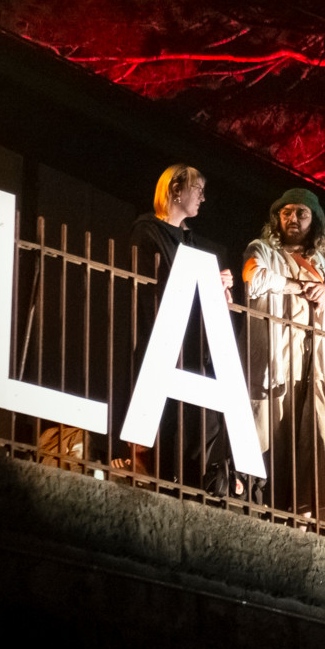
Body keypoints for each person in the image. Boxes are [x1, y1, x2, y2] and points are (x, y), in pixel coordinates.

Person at [240, 188, 325, 518]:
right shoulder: (263, 249)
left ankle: (305, 518)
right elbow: (254, 278)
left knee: (313, 446)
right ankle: (260, 510)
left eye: (302, 213)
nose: (293, 219)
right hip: (276, 365)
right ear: (276, 218)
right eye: (287, 212)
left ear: (315, 221)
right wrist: (301, 287)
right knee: (270, 442)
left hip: (317, 369)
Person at [111, 165, 237, 492]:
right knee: (163, 426)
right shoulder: (147, 231)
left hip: (195, 350)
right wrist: (206, 282)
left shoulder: (190, 239)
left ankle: (193, 488)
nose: (204, 197)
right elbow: (158, 288)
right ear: (176, 189)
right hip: (164, 345)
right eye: (198, 189)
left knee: (196, 425)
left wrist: (220, 289)